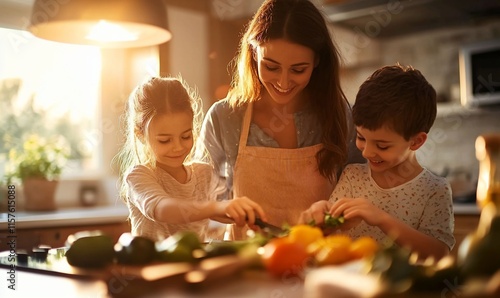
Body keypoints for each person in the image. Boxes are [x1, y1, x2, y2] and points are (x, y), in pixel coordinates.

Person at [196, 0, 362, 239]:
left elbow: (361, 191)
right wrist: (225, 209)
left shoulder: (340, 115)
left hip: (323, 259)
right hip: (247, 261)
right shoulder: (224, 118)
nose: (283, 83)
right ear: (254, 54)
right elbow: (203, 196)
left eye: (298, 70)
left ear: (317, 62)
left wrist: (334, 211)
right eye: (271, 67)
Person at [299, 64, 455, 260]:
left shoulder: (435, 190)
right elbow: (329, 235)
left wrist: (381, 218)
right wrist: (321, 219)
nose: (367, 151)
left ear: (416, 141)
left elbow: (438, 253)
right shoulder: (352, 176)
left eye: (382, 146)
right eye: (361, 137)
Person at [115, 76, 266, 242]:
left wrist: (241, 214)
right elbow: (162, 209)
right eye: (165, 140)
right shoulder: (139, 176)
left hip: (192, 263)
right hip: (152, 265)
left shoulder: (203, 173)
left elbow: (219, 212)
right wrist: (215, 207)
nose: (178, 147)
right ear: (140, 135)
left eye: (185, 136)